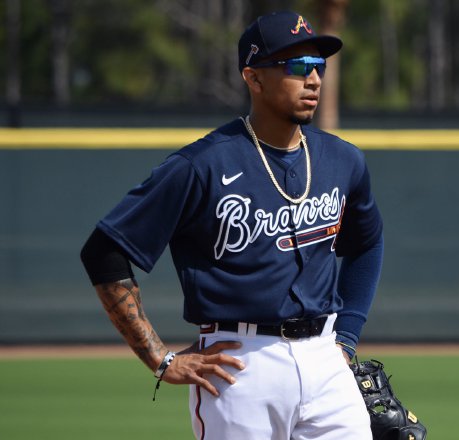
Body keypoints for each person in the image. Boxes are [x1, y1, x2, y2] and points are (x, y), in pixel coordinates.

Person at [80, 10, 383, 440]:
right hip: (239, 364)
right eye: (297, 66)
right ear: (253, 78)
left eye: (318, 66)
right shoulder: (201, 164)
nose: (314, 79)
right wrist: (160, 359)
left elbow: (368, 244)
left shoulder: (343, 160)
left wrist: (347, 336)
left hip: (326, 358)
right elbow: (104, 250)